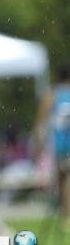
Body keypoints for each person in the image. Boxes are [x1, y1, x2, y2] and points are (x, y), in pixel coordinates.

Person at [33, 64, 70, 228]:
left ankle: (65, 214)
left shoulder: (52, 95)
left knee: (63, 179)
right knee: (66, 179)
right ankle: (66, 214)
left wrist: (38, 144)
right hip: (65, 142)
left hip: (60, 144)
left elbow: (40, 123)